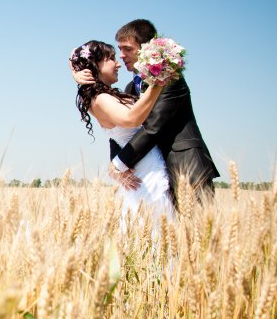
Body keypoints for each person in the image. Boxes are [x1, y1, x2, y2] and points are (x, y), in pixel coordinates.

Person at [74, 19, 219, 207]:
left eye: (127, 49)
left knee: (196, 232)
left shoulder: (170, 79)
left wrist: (119, 164)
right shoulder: (129, 88)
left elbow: (153, 127)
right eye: (119, 50)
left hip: (185, 165)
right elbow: (118, 132)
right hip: (149, 173)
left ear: (146, 49)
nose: (122, 56)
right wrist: (78, 73)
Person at [70, 40, 175, 221]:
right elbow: (131, 119)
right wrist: (157, 84)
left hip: (144, 164)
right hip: (143, 173)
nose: (118, 63)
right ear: (95, 65)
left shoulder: (106, 95)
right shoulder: (100, 99)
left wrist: (74, 72)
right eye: (110, 58)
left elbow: (73, 54)